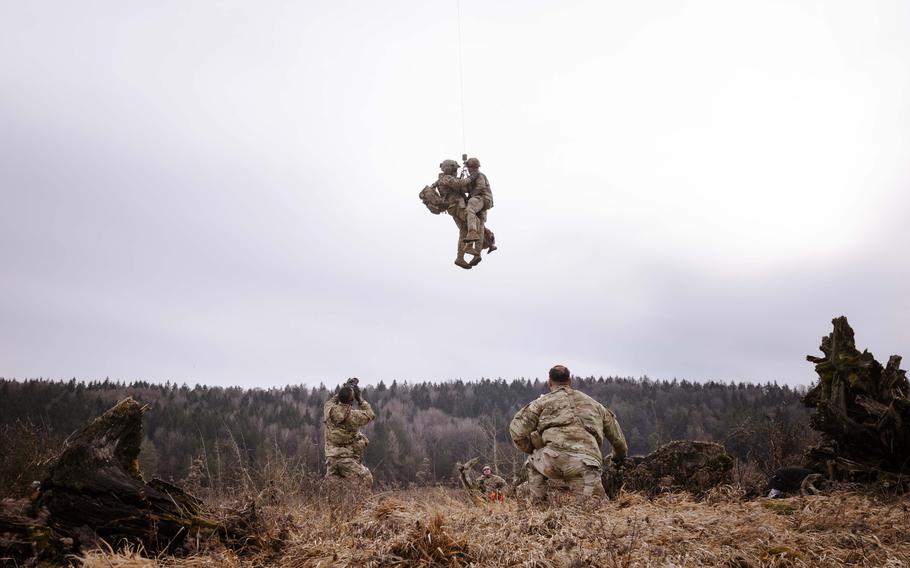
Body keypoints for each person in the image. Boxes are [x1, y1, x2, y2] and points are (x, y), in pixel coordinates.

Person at [509, 365, 627, 502]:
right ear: (570, 381)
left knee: (532, 463)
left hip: (552, 460)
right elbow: (619, 442)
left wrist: (532, 449)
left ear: (549, 382)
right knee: (593, 511)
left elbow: (516, 431)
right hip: (586, 464)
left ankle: (538, 505)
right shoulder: (595, 405)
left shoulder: (541, 403)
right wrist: (617, 459)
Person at [323, 378, 376, 486]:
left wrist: (346, 389)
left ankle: (331, 502)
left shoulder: (328, 410)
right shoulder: (354, 416)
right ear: (352, 400)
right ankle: (361, 502)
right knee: (366, 478)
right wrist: (360, 398)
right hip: (347, 459)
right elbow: (370, 414)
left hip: (331, 458)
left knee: (333, 488)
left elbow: (332, 401)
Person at [461, 157, 496, 265]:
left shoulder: (480, 176)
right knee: (480, 226)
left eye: (470, 167)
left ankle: (472, 232)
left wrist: (470, 196)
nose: (469, 169)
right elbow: (466, 189)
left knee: (470, 208)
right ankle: (477, 254)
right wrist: (462, 180)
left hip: (482, 198)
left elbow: (480, 188)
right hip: (482, 202)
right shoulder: (472, 177)